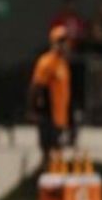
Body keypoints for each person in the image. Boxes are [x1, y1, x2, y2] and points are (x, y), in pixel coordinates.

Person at [27, 25, 72, 172]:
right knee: (48, 155)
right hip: (48, 116)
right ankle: (42, 186)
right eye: (61, 41)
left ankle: (51, 186)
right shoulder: (46, 62)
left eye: (65, 41)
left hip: (60, 117)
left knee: (57, 156)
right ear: (54, 43)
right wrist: (34, 110)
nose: (64, 45)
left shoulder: (62, 63)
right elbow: (36, 87)